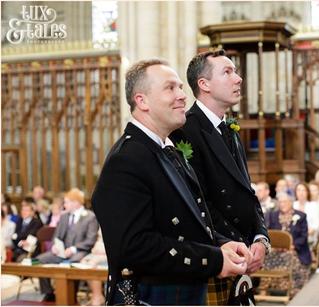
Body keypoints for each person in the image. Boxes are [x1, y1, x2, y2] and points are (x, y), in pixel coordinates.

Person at [91, 58, 251, 306]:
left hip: (182, 291)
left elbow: (187, 222)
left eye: (180, 87)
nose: (182, 96)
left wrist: (222, 244)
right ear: (141, 100)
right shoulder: (127, 159)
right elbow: (133, 247)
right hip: (152, 296)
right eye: (170, 88)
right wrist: (214, 259)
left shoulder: (167, 149)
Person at [171, 49, 269, 305]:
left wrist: (260, 238)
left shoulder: (231, 128)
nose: (238, 79)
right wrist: (236, 245)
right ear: (204, 84)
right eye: (228, 72)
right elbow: (197, 203)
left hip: (242, 252)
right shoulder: (185, 131)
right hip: (217, 253)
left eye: (235, 71)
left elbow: (247, 191)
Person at [37, 188, 99, 302]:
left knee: (71, 265)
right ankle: (49, 294)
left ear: (76, 202)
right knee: (39, 260)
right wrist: (56, 245)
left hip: (80, 252)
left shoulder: (90, 217)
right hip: (61, 252)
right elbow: (56, 236)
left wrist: (73, 249)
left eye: (66, 202)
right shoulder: (64, 216)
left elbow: (90, 240)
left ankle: (71, 296)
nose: (64, 205)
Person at [264, 192, 311, 296]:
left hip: (294, 249)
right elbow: (270, 232)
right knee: (266, 257)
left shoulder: (301, 216)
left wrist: (292, 245)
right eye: (280, 202)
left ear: (291, 203)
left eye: (284, 202)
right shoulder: (273, 215)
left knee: (291, 257)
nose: (282, 204)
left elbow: (304, 236)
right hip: (276, 249)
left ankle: (292, 289)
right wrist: (276, 245)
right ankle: (265, 287)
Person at [79, 229, 107, 306]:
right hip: (98, 252)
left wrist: (101, 250)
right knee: (83, 262)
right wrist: (95, 249)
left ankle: (97, 297)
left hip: (108, 254)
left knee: (92, 264)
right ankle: (97, 295)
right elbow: (99, 240)